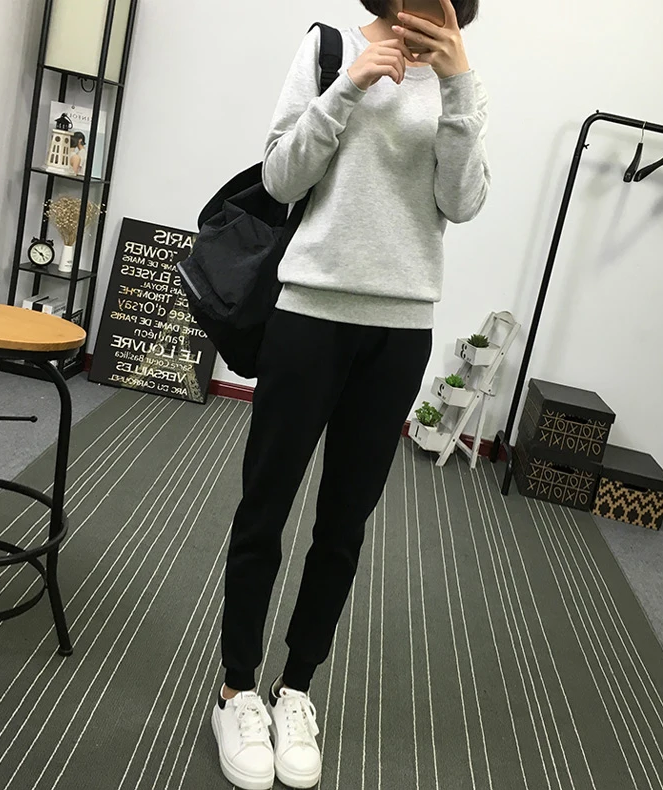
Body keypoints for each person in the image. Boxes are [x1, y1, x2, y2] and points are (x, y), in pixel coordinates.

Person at [211, 0, 488, 787]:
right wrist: (349, 87)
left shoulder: (461, 79)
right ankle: (236, 690)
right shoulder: (330, 46)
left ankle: (296, 687)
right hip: (308, 315)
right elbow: (280, 176)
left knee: (344, 527)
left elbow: (463, 203)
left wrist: (458, 87)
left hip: (400, 329)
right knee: (265, 508)